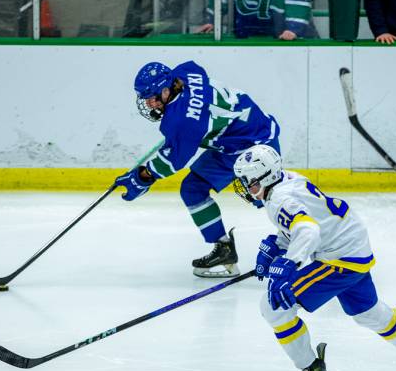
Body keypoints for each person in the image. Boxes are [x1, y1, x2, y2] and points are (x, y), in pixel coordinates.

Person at [232, 144, 396, 371]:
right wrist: (278, 243)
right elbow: (305, 220)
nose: (247, 188)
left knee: (274, 307)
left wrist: (288, 262)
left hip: (339, 257)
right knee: (366, 312)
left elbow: (308, 230)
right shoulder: (288, 178)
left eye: (250, 182)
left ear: (266, 178)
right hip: (354, 246)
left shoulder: (279, 199)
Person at [115, 61, 281, 278]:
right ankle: (224, 249)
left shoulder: (183, 122)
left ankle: (303, 239)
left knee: (271, 199)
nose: (149, 103)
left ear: (167, 89)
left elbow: (172, 162)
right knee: (193, 188)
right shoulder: (185, 72)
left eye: (153, 97)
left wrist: (142, 177)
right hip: (237, 137)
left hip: (255, 145)